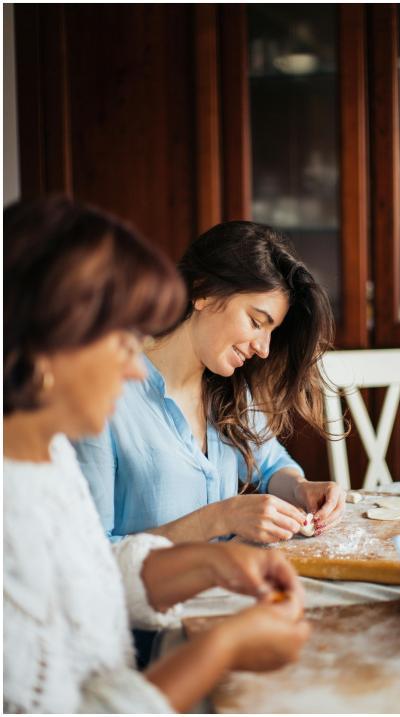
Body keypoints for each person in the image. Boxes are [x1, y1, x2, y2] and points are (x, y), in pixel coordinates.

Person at [3, 197, 310, 714]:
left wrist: (215, 560)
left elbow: (93, 579)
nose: (134, 369)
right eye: (121, 340)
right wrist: (222, 648)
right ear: (48, 342)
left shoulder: (46, 457)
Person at [74, 221, 346, 544]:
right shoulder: (101, 402)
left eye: (270, 332)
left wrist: (301, 488)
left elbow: (273, 464)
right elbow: (91, 556)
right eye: (256, 322)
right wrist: (220, 518)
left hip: (229, 587)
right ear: (203, 291)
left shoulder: (229, 390)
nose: (264, 348)